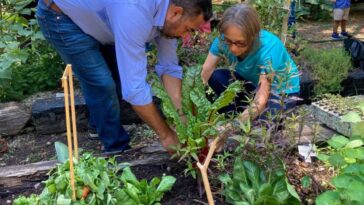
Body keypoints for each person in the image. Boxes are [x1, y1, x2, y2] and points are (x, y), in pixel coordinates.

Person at [36, 0, 212, 155]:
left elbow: (169, 67)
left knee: (118, 81)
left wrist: (181, 119)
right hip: (62, 18)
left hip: (102, 19)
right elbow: (135, 90)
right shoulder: (134, 12)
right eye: (188, 29)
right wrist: (166, 135)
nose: (186, 36)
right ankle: (116, 150)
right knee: (102, 83)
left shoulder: (167, 15)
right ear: (176, 12)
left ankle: (98, 124)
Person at [201, 4, 300, 124]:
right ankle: (234, 115)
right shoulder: (222, 41)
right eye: (228, 41)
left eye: (240, 43)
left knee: (262, 127)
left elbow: (261, 99)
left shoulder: (269, 48)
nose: (233, 49)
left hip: (281, 91)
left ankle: (239, 121)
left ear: (253, 36)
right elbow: (204, 73)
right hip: (252, 86)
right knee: (217, 77)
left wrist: (233, 127)